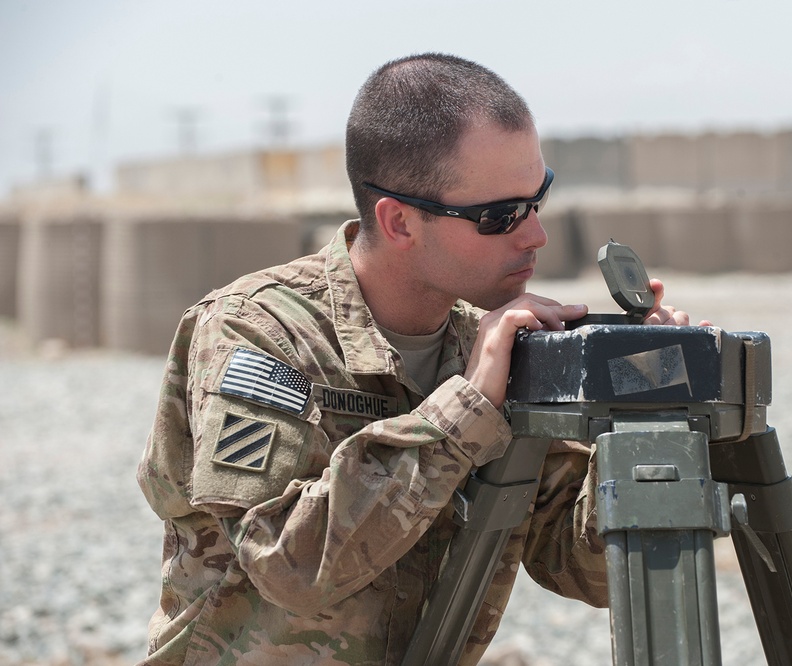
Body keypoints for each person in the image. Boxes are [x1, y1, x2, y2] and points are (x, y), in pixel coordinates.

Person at [136, 52, 710, 665]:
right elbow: (285, 564)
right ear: (400, 221)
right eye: (499, 216)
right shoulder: (258, 331)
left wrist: (654, 419)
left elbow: (583, 568)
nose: (535, 235)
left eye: (537, 199)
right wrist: (463, 412)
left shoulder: (490, 345)